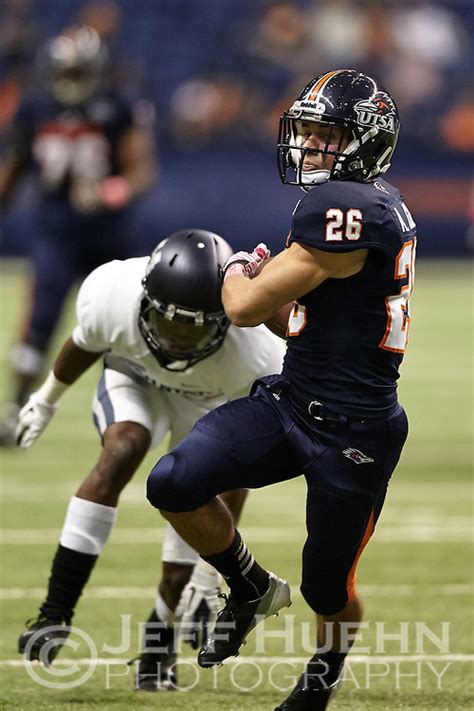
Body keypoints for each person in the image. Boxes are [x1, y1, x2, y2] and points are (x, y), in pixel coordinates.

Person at [146, 69, 417, 710]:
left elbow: (239, 308)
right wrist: (268, 291)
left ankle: (322, 675)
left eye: (328, 136)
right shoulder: (366, 205)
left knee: (327, 585)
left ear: (365, 141)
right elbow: (292, 322)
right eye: (310, 134)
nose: (312, 147)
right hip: (291, 398)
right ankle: (246, 586)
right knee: (173, 481)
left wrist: (239, 268)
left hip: (356, 429)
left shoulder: (348, 211)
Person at [15, 228, 286, 691]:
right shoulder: (112, 292)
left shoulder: (258, 352)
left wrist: (210, 569)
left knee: (190, 499)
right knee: (123, 448)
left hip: (209, 400)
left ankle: (158, 639)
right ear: (146, 301)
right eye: (171, 323)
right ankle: (54, 612)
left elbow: (236, 473)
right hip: (136, 377)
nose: (179, 340)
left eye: (195, 325)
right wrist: (46, 398)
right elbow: (85, 341)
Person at [0, 24, 156, 443]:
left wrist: (112, 190)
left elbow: (141, 171)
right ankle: (18, 406)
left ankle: (143, 409)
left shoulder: (118, 106)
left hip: (108, 236)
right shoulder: (34, 109)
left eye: (78, 72)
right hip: (57, 232)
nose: (70, 82)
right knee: (39, 321)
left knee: (127, 323)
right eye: (64, 72)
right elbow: (12, 172)